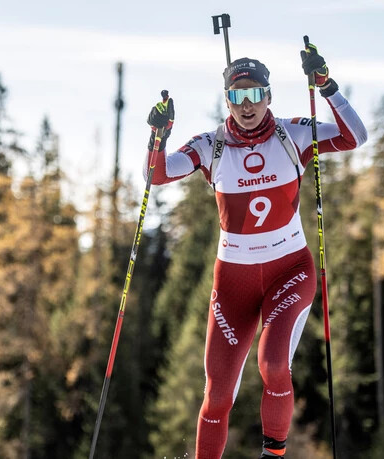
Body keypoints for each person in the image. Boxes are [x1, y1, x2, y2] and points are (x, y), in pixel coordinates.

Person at [144, 42, 367, 458]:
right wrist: (158, 135)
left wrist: (326, 85)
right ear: (226, 99)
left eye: (253, 94)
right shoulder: (210, 145)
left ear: (268, 96)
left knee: (273, 365)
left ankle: (274, 455)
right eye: (235, 96)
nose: (245, 105)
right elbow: (155, 175)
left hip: (290, 271)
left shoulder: (293, 133)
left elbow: (356, 136)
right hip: (233, 282)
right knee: (217, 392)